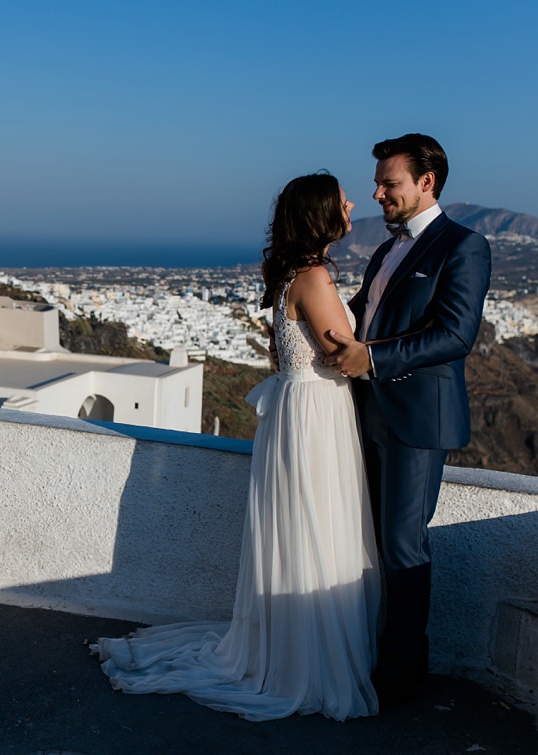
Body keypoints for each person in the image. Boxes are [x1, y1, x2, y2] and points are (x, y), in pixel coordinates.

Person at [91, 173, 382, 721]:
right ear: (321, 213)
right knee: (317, 523)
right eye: (341, 198)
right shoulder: (315, 278)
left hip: (298, 413)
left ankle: (292, 646)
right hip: (316, 414)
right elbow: (344, 352)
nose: (350, 204)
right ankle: (309, 658)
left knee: (302, 526)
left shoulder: (297, 275)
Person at [321, 133, 493, 705]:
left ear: (427, 182)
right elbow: (363, 314)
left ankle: (399, 676)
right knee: (369, 539)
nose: (377, 193)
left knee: (402, 545)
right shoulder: (386, 248)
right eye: (377, 182)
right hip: (367, 413)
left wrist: (369, 357)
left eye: (388, 183)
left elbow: (454, 335)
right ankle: (370, 654)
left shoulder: (464, 246)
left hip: (418, 420)